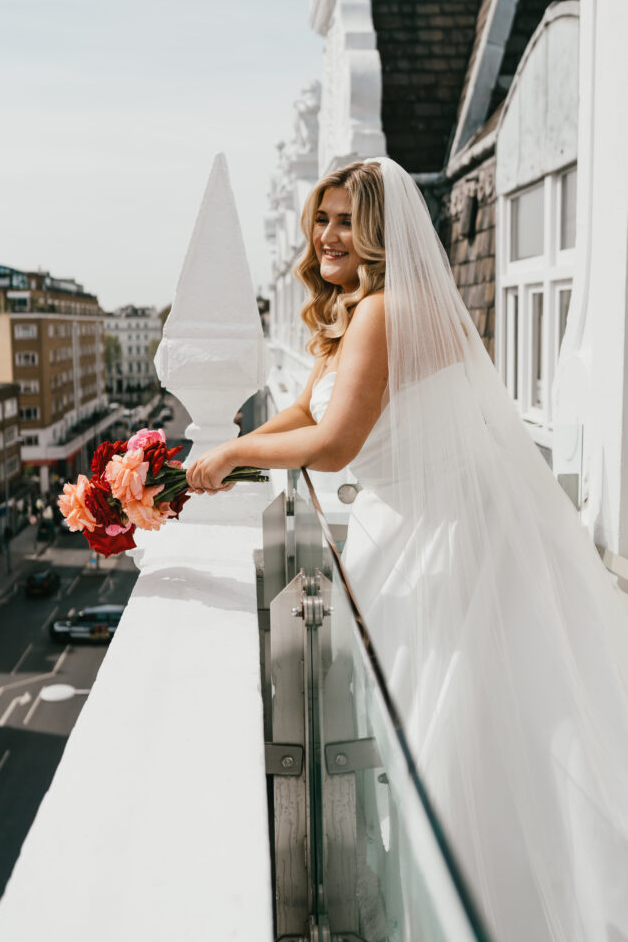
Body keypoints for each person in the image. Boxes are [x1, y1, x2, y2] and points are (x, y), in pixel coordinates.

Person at [186, 158, 628, 941]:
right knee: (456, 735)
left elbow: (334, 443)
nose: (327, 235)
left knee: (461, 738)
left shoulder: (386, 311)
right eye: (320, 219)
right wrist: (219, 456)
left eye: (345, 221)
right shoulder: (361, 311)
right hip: (419, 541)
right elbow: (300, 409)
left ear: (381, 232)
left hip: (448, 550)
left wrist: (231, 460)